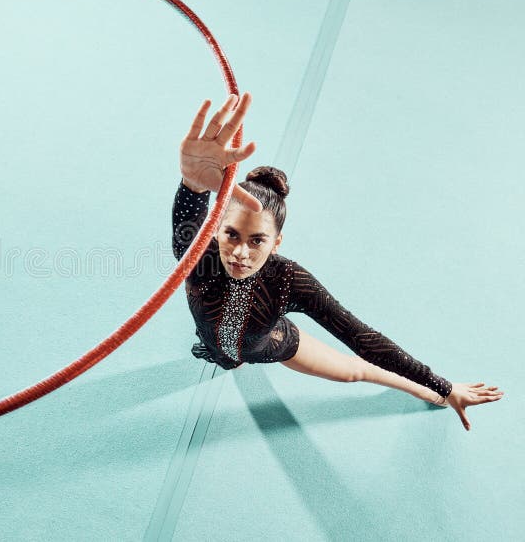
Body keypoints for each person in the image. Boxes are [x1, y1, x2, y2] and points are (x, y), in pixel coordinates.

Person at [173, 91, 503, 431]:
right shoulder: (200, 259)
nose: (241, 253)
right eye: (232, 235)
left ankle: (431, 393)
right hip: (216, 341)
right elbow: (187, 220)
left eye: (257, 240)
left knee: (354, 372)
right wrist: (191, 185)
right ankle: (229, 357)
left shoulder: (287, 279)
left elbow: (362, 338)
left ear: (276, 243)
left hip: (270, 344)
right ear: (215, 230)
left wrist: (443, 387)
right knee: (227, 356)